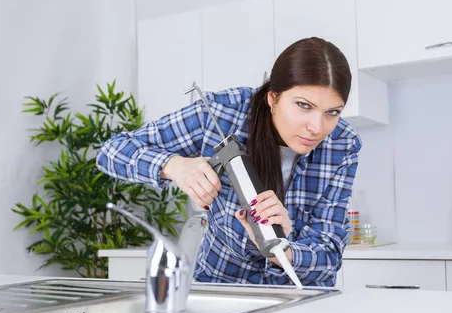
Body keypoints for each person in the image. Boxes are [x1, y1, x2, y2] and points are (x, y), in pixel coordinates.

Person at [96, 37, 362, 287]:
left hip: (298, 297)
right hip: (221, 288)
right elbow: (112, 152)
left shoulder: (342, 143)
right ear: (273, 97)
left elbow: (328, 254)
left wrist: (282, 250)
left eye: (332, 112)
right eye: (304, 105)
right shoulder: (221, 114)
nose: (316, 127)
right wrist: (174, 166)